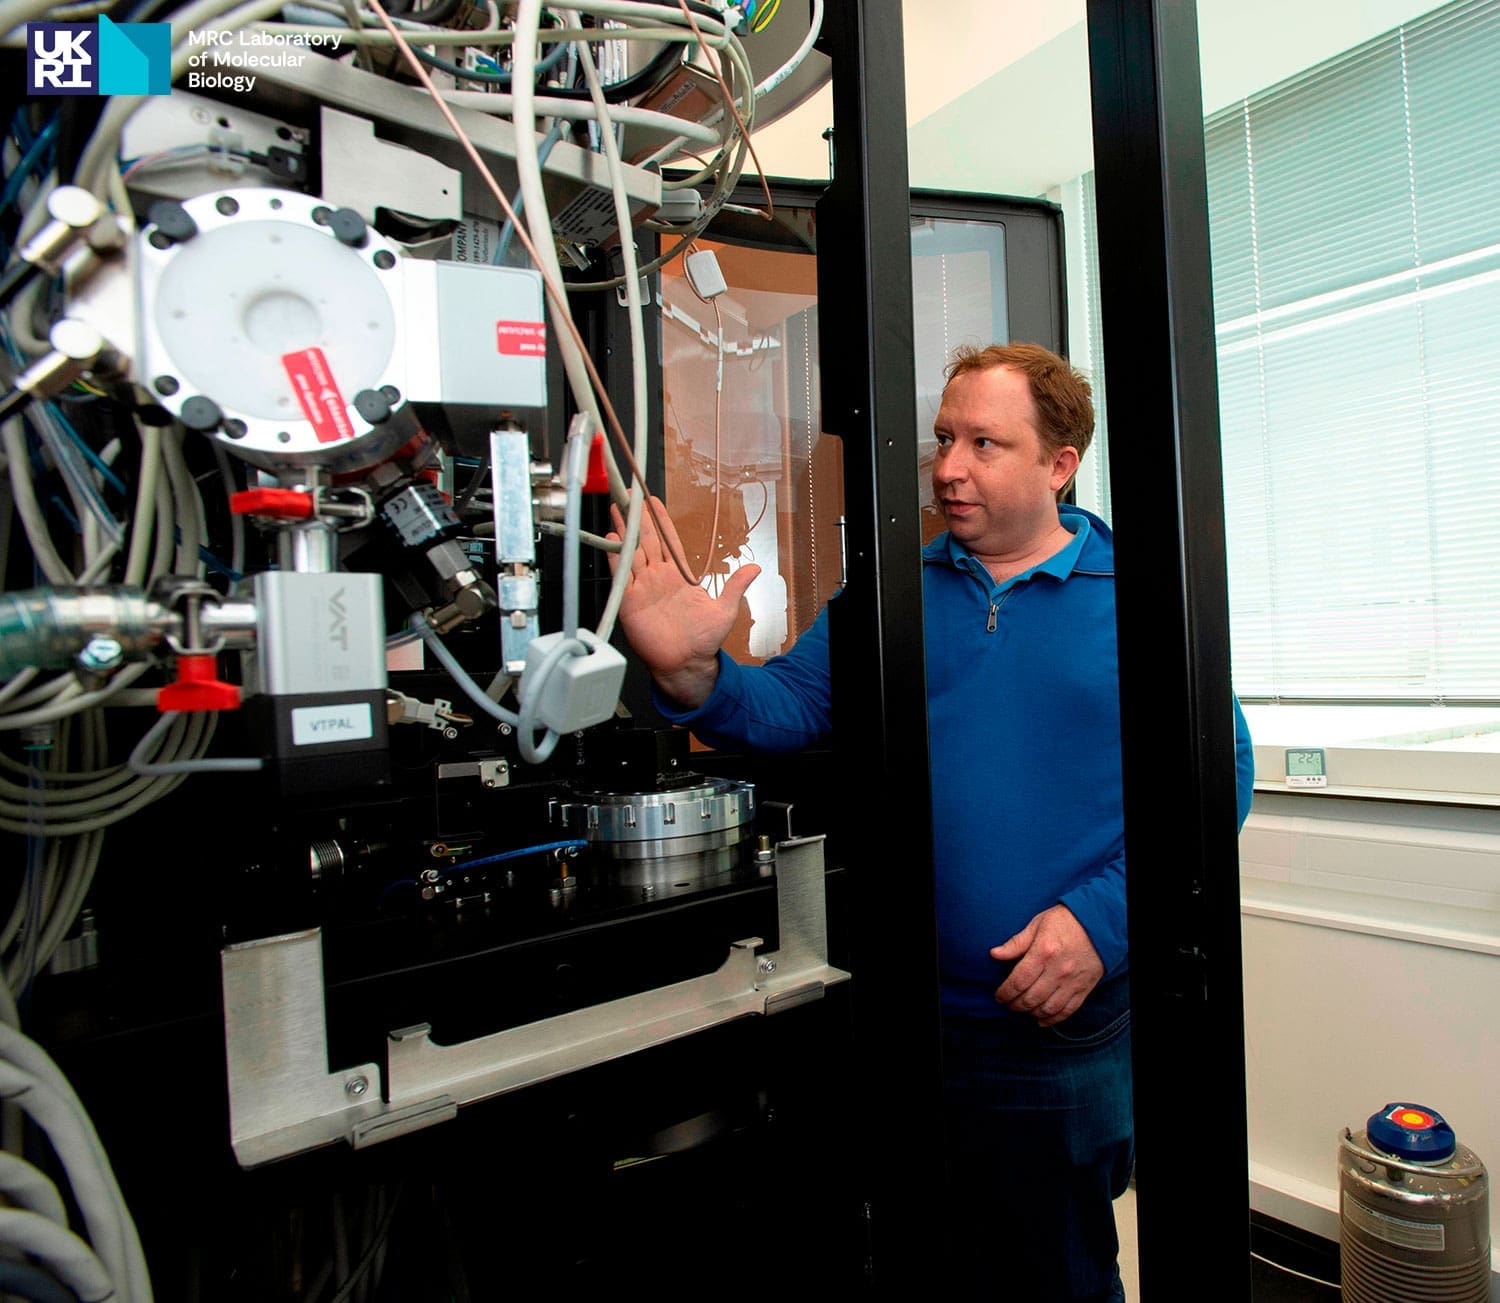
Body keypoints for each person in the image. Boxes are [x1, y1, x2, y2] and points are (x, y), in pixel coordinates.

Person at [609, 342, 1255, 1301]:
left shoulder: (1144, 598)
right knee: (918, 1258)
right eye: (945, 437)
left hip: (1056, 1020)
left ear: (1058, 465)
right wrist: (688, 671)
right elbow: (786, 708)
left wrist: (1100, 924)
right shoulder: (894, 597)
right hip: (904, 1011)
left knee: (1056, 1273)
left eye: (986, 443)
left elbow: (1218, 778)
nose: (949, 466)